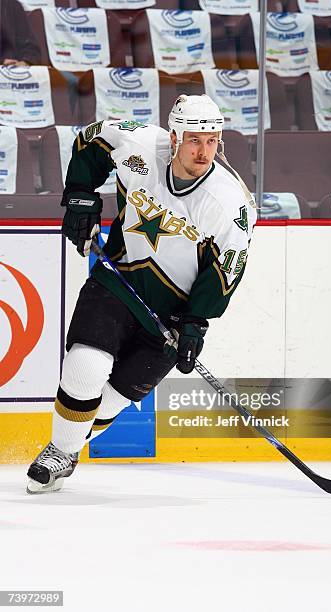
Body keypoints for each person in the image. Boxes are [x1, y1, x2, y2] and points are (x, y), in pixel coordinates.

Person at [26, 94, 257, 494]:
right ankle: (60, 453)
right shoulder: (138, 145)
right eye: (195, 140)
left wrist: (194, 323)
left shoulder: (229, 203)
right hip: (119, 279)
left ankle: (67, 445)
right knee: (86, 366)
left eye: (213, 141)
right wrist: (81, 196)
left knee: (113, 400)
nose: (204, 152)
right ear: (174, 136)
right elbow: (90, 141)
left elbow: (224, 272)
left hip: (170, 315)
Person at [0, 0, 41, 66]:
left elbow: (30, 46)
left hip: (14, 69)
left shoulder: (13, 5)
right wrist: (2, 61)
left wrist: (25, 62)